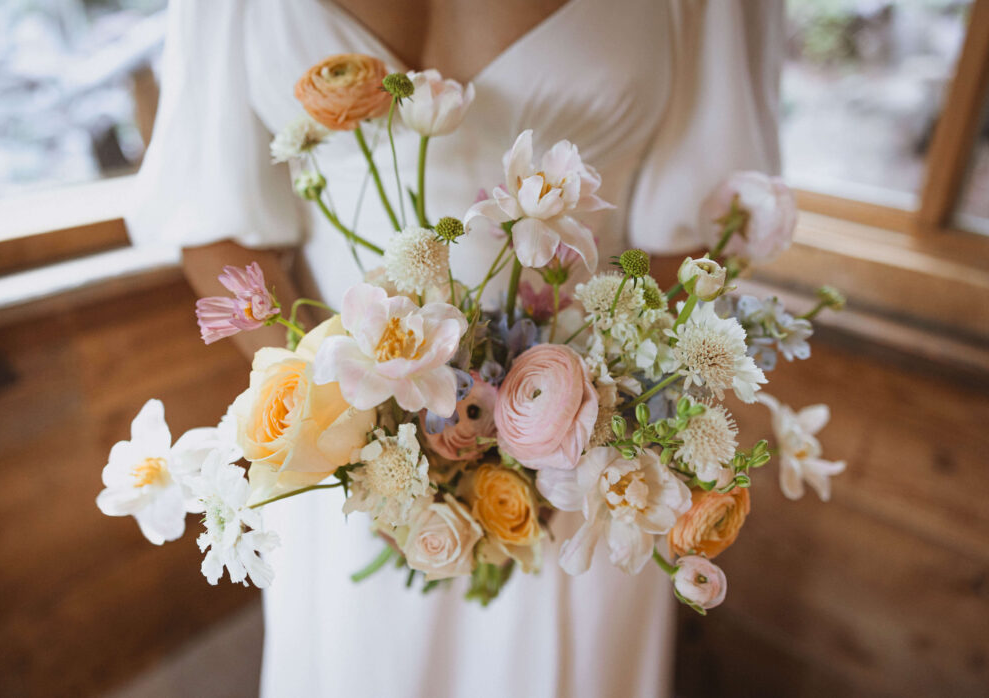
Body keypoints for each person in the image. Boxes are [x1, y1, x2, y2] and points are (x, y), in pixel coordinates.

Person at [127, 1, 783, 695]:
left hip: (587, 468)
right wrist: (360, 444)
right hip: (342, 453)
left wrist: (566, 430)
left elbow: (700, 227)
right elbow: (212, 223)